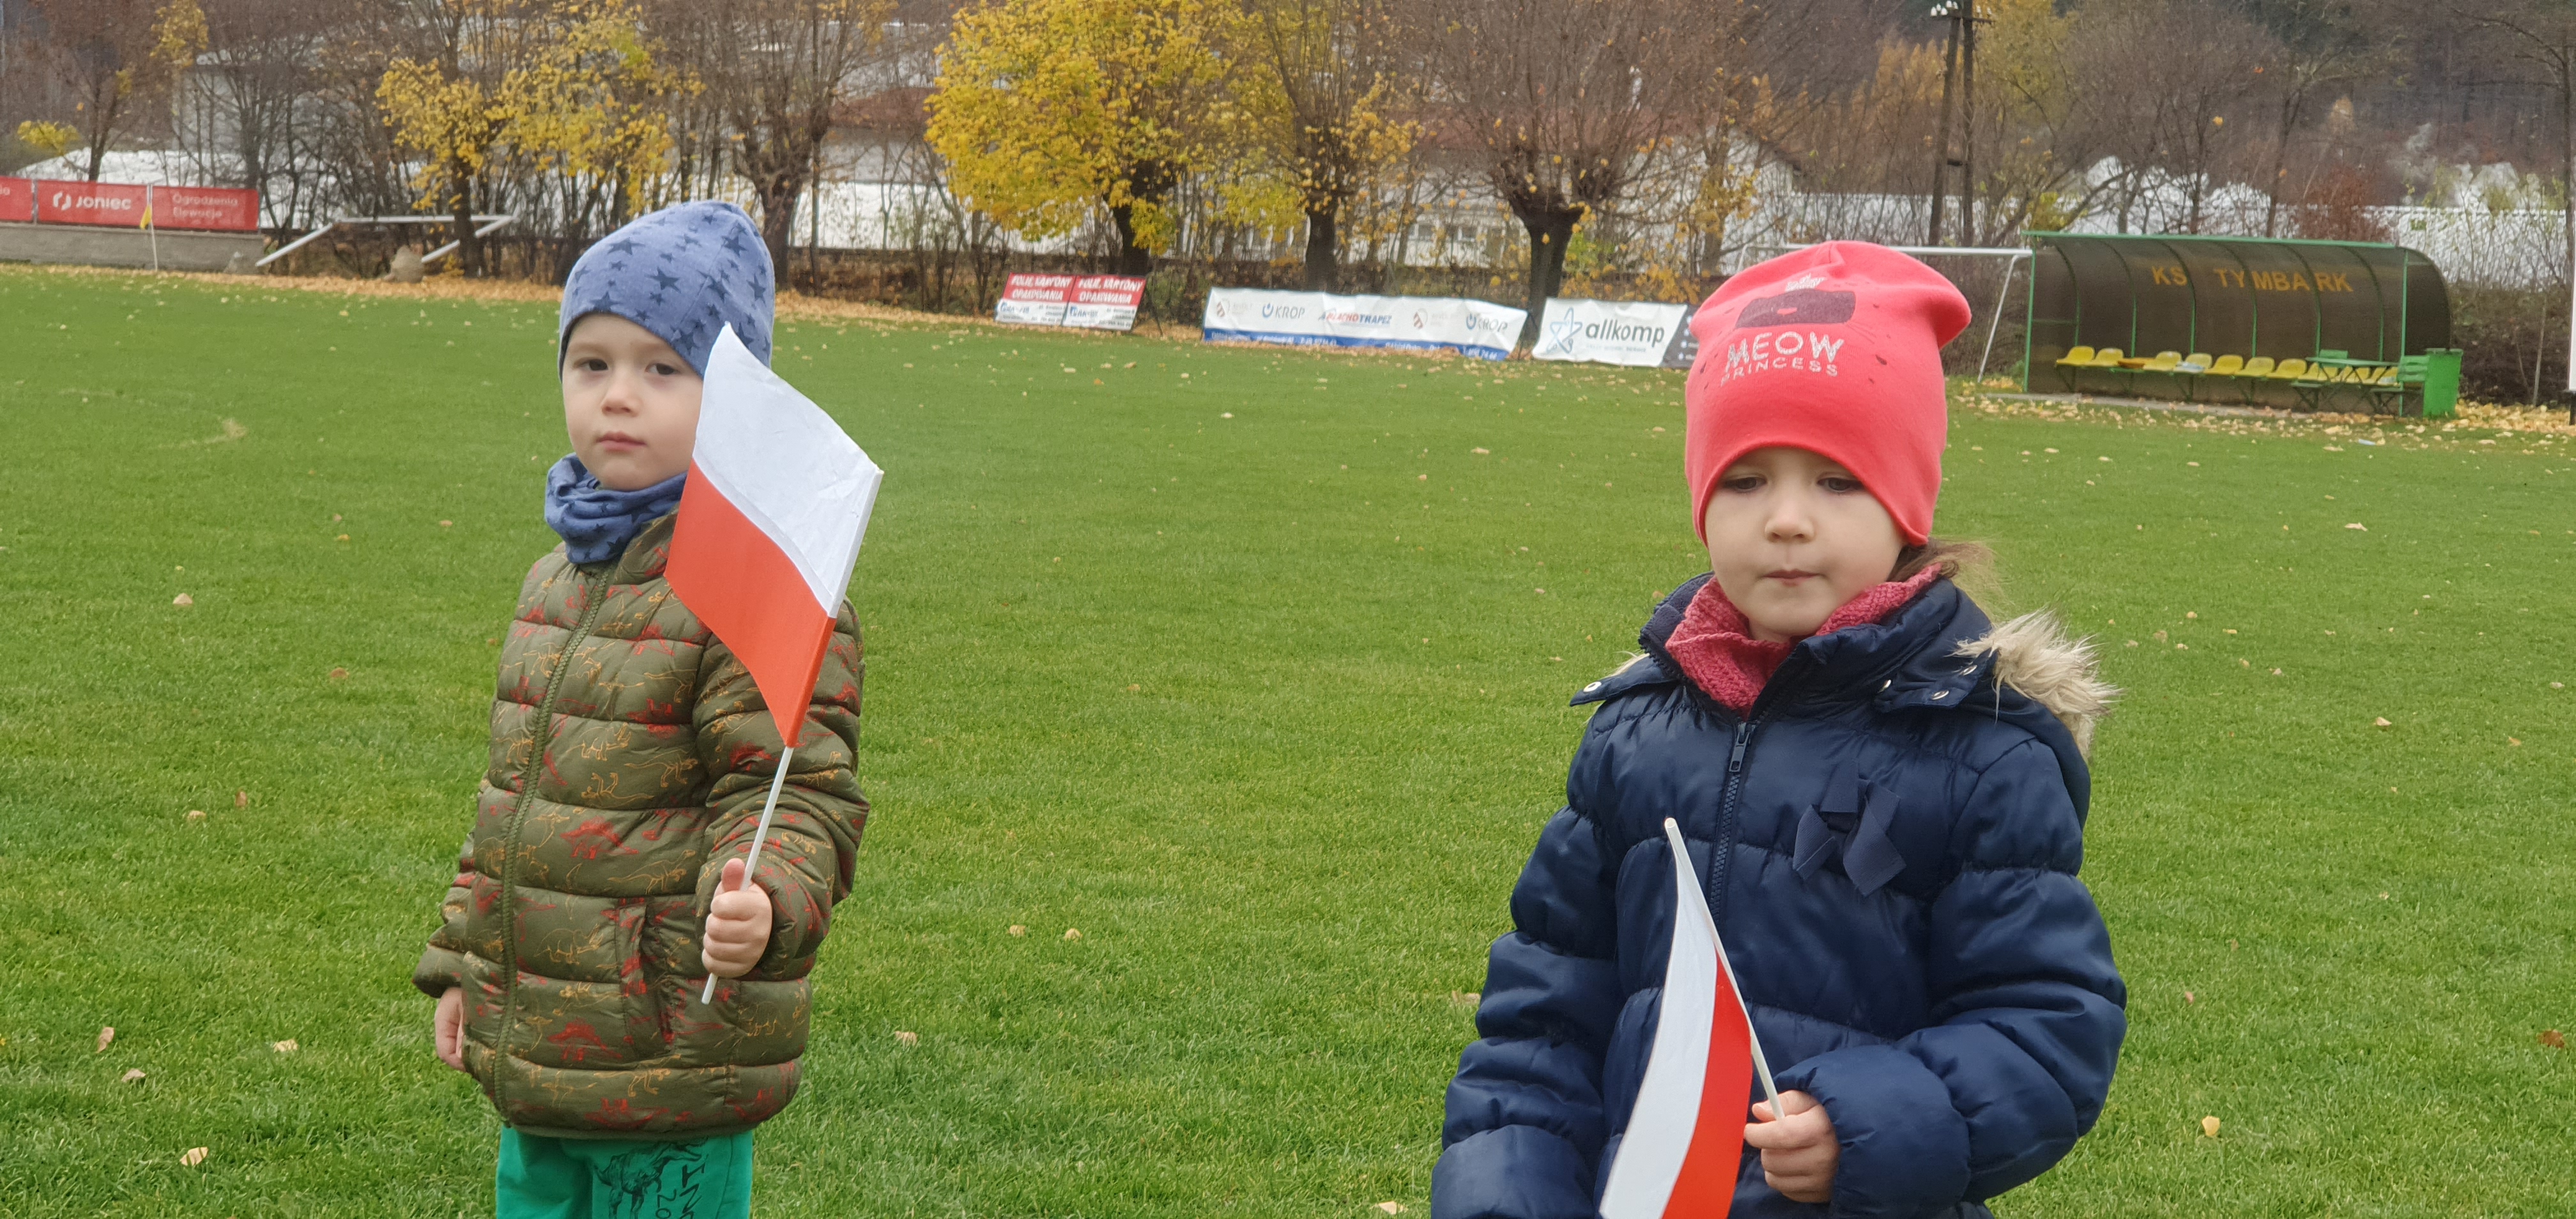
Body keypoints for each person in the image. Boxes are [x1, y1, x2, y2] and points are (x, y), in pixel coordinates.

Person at [1432, 242, 2126, 1219]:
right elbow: (1540, 1026)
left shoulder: (1983, 753)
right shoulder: (1636, 732)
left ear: (1906, 506)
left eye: (1837, 480)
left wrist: (1866, 1123)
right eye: (1747, 479)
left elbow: (2048, 1029)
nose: (1787, 520)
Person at [412, 200, 868, 1219]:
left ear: (734, 398)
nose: (618, 395)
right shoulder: (554, 581)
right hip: (541, 1056)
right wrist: (463, 967)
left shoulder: (753, 591)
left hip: (670, 1058)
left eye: (664, 368)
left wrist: (768, 898)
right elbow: (513, 806)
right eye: (593, 363)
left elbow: (798, 793)